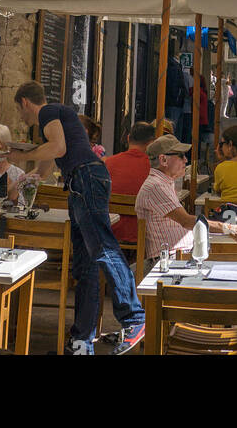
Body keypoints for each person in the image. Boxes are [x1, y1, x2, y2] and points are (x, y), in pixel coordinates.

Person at [11, 81, 144, 355]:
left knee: (103, 249)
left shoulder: (48, 113)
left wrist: (21, 155)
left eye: (19, 110)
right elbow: (46, 168)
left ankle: (134, 318)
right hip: (82, 181)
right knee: (85, 265)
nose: (21, 117)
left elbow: (57, 148)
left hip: (86, 179)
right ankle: (82, 340)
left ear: (25, 102)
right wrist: (27, 175)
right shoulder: (56, 118)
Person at [135, 135, 237, 263]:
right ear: (163, 160)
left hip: (181, 255)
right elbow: (186, 221)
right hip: (169, 260)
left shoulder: (163, 182)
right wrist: (227, 228)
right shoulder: (156, 185)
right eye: (180, 156)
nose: (186, 160)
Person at [103, 121, 155, 246]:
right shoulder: (155, 168)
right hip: (143, 232)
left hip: (110, 230)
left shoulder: (108, 163)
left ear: (128, 138)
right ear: (151, 143)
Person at [164, 53, 185, 131]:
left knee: (173, 126)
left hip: (174, 102)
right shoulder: (175, 68)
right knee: (172, 126)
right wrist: (177, 98)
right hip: (175, 102)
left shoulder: (174, 67)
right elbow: (174, 85)